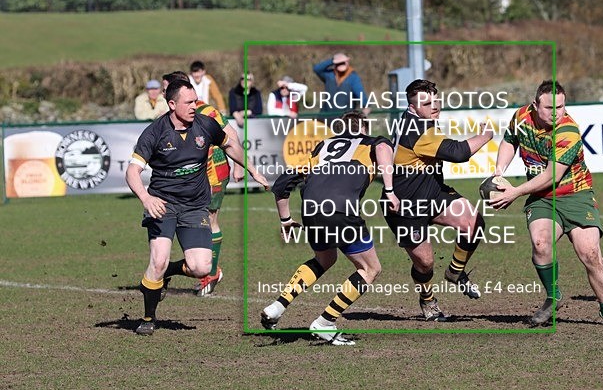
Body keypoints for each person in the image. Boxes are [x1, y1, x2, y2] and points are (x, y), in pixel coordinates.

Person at [126, 79, 269, 335]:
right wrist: (146, 198)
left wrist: (253, 171)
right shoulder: (155, 132)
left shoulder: (205, 124)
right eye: (188, 102)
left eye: (195, 101)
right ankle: (148, 318)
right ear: (172, 104)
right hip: (163, 205)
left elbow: (232, 145)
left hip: (194, 206)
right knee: (157, 260)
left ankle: (166, 271)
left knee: (201, 267)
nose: (195, 106)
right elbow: (132, 171)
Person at [490, 80, 603, 326]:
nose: (556, 113)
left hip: (576, 195)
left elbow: (551, 176)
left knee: (589, 252)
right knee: (540, 242)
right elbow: (509, 141)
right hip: (542, 198)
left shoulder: (568, 130)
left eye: (561, 107)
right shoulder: (521, 117)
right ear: (535, 105)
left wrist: (514, 192)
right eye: (549, 108)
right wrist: (499, 172)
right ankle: (553, 296)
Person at [259, 111, 399, 345]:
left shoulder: (323, 146)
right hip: (340, 209)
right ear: (364, 128)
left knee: (324, 259)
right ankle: (325, 323)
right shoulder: (372, 142)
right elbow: (385, 147)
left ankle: (277, 306)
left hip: (311, 209)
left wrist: (285, 220)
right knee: (370, 268)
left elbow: (282, 184)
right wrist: (389, 189)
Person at [382, 79, 492, 321]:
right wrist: (485, 136)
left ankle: (455, 272)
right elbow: (458, 153)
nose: (434, 106)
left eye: (435, 100)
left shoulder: (418, 119)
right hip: (404, 204)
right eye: (426, 102)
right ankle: (428, 300)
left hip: (431, 191)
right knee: (425, 263)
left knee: (473, 223)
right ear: (412, 107)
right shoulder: (418, 131)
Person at [160, 71, 249, 298]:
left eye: (166, 88)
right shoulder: (173, 115)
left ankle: (211, 272)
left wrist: (240, 165)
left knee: (208, 221)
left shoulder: (206, 110)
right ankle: (186, 268)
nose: (163, 92)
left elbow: (230, 135)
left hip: (213, 173)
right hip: (192, 178)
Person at [313, 53, 369, 117]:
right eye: (339, 63)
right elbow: (317, 69)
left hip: (344, 117)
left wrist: (366, 107)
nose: (341, 64)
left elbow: (360, 94)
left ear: (347, 62)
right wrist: (332, 60)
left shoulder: (353, 78)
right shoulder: (329, 75)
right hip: (325, 116)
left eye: (343, 62)